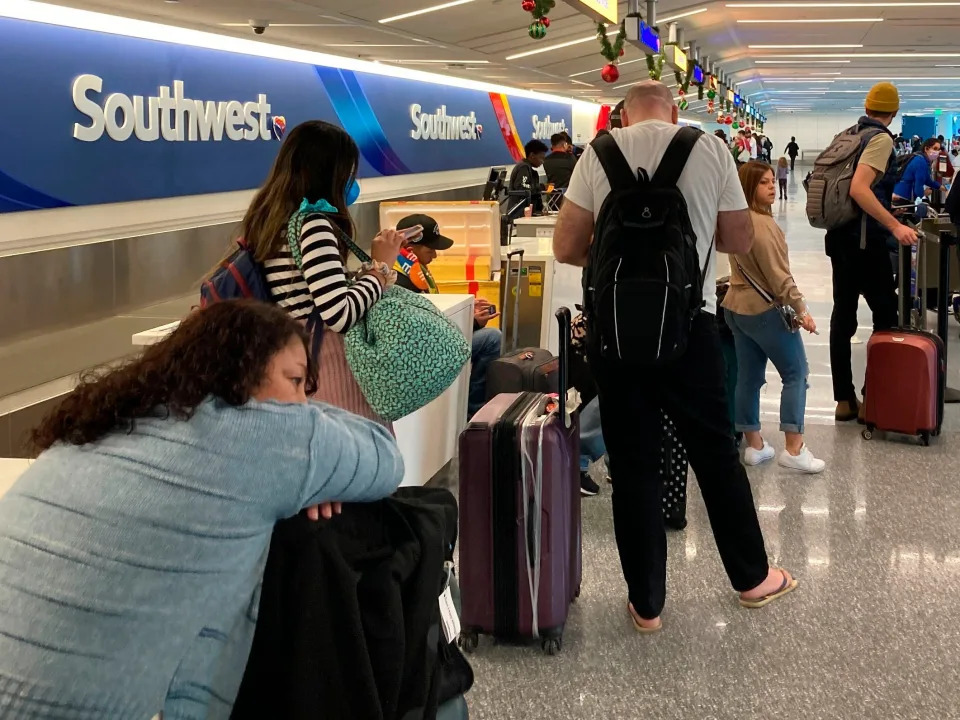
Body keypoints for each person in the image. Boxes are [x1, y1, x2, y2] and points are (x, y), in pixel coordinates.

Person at [0, 300, 404, 718]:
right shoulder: (261, 440)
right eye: (296, 381)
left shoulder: (114, 421)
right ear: (239, 375)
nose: (303, 405)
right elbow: (385, 457)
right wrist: (307, 456)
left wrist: (303, 457)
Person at [553, 80, 796, 633]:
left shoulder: (599, 151)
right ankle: (752, 579)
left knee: (633, 464)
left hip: (614, 337)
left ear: (625, 112)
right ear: (673, 109)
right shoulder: (708, 148)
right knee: (714, 455)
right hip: (692, 328)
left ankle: (647, 605)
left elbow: (567, 248)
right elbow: (735, 239)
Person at [242, 120, 404, 426]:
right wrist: (380, 270)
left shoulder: (274, 220)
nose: (352, 181)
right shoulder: (313, 225)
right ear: (330, 173)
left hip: (298, 352)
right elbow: (338, 313)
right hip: (327, 363)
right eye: (348, 172)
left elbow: (313, 291)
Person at [826, 82, 919, 422]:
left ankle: (844, 400)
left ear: (867, 108)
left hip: (840, 239)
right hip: (866, 242)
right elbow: (859, 188)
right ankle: (876, 397)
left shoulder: (847, 135)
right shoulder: (880, 139)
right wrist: (894, 226)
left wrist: (885, 208)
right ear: (893, 113)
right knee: (886, 316)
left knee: (843, 317)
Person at [724, 162, 825, 473]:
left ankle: (754, 445)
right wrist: (802, 310)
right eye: (763, 183)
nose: (772, 186)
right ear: (749, 187)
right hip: (765, 312)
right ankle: (794, 449)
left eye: (772, 181)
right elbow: (779, 278)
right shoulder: (765, 227)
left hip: (736, 308)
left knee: (749, 378)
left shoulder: (735, 221)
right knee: (796, 374)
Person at [394, 214, 502, 418]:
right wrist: (472, 325)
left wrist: (466, 307)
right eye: (430, 249)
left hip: (429, 344)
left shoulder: (411, 271)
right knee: (492, 339)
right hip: (419, 355)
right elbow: (423, 336)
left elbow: (433, 313)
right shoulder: (400, 283)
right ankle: (473, 414)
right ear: (410, 250)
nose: (434, 256)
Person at [893, 137, 942, 209]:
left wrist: (941, 187)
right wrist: (923, 193)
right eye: (935, 149)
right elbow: (918, 187)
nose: (937, 152)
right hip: (904, 198)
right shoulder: (921, 162)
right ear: (926, 149)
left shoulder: (919, 158)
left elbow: (927, 180)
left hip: (898, 193)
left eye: (938, 149)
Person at [508, 139, 548, 217]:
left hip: (527, 213)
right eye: (541, 158)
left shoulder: (529, 169)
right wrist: (542, 187)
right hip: (519, 214)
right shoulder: (523, 167)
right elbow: (522, 187)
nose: (542, 162)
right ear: (532, 155)